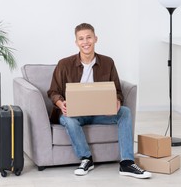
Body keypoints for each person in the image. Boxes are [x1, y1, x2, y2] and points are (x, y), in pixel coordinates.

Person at [47, 23, 151, 179]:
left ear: (95, 39)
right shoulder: (64, 64)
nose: (85, 42)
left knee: (125, 112)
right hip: (75, 114)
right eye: (81, 39)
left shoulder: (108, 63)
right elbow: (53, 92)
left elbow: (117, 90)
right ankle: (86, 159)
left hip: (100, 112)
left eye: (89, 37)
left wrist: (117, 100)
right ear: (76, 42)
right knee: (68, 119)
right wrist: (61, 104)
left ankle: (127, 163)